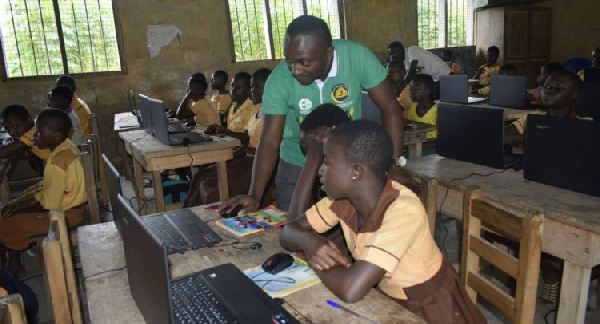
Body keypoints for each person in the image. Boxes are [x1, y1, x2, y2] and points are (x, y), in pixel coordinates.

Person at [280, 120, 485, 323]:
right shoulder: (341, 200)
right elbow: (289, 231)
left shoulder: (403, 211)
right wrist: (309, 242)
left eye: (327, 162)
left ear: (356, 172)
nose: (320, 170)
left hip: (433, 308)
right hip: (389, 300)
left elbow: (351, 289)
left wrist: (311, 256)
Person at [219, 15, 407, 213]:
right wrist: (255, 195)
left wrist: (394, 164)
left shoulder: (357, 57)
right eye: (289, 60)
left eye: (304, 62)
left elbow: (391, 108)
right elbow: (269, 140)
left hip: (346, 160)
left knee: (351, 222)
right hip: (296, 159)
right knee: (290, 224)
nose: (295, 70)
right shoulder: (279, 79)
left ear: (328, 53)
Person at [0, 109, 87, 276]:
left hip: (64, 216)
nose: (34, 136)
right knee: (12, 209)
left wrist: (20, 209)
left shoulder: (56, 162)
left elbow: (49, 204)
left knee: (7, 223)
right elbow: (47, 189)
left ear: (55, 134)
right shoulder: (66, 147)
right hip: (68, 208)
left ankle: (15, 266)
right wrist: (20, 203)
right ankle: (12, 260)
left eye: (38, 132)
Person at [184, 68, 272, 207]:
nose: (253, 91)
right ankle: (187, 215)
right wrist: (229, 156)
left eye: (257, 87)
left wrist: (233, 155)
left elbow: (269, 149)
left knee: (213, 190)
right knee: (201, 175)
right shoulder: (257, 109)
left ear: (271, 87)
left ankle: (207, 219)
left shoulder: (275, 114)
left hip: (257, 163)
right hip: (245, 157)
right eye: (252, 87)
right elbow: (246, 138)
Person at [505, 70, 593, 146]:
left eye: (559, 87)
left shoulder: (586, 124)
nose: (549, 90)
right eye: (546, 86)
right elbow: (502, 135)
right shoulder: (532, 117)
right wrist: (537, 138)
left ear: (574, 96)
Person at [56, 75, 92, 141]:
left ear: (74, 88)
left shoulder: (76, 109)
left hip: (80, 145)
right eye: (59, 89)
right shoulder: (77, 102)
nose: (61, 92)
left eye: (65, 89)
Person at [408, 74, 437, 140]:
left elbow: (444, 139)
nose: (412, 92)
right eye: (410, 89)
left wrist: (422, 146)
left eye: (417, 89)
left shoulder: (437, 111)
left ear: (428, 90)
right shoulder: (410, 108)